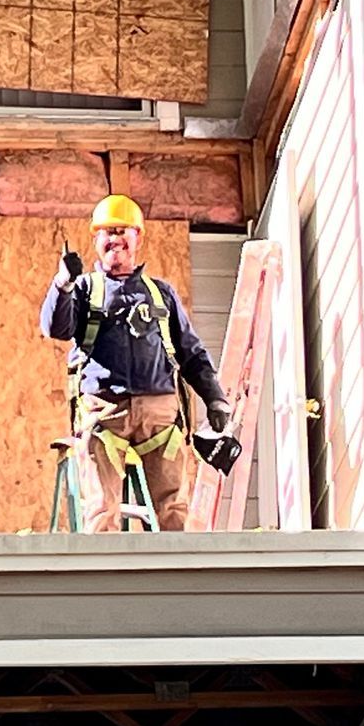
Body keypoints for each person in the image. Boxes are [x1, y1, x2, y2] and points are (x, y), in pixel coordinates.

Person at [40, 194, 228, 532]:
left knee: (173, 510)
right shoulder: (85, 289)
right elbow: (56, 328)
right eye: (107, 231)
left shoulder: (160, 294)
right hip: (105, 415)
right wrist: (62, 284)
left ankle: (176, 580)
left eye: (123, 230)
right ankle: (107, 582)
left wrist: (214, 397)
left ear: (138, 237)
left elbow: (191, 352)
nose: (115, 239)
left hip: (159, 416)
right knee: (101, 511)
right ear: (95, 239)